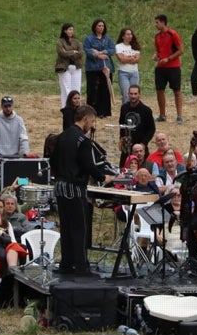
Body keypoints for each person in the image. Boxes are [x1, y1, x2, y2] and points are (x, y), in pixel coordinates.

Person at [51, 105, 116, 278]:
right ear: (86, 119)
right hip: (75, 189)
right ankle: (81, 267)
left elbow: (53, 161)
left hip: (60, 187)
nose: (92, 125)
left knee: (66, 227)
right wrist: (104, 178)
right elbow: (89, 165)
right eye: (92, 121)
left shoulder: (62, 136)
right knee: (80, 228)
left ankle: (66, 264)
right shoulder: (83, 141)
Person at [149, 14, 186, 125]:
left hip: (173, 67)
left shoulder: (172, 34)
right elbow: (158, 50)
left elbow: (181, 50)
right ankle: (162, 114)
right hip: (160, 67)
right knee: (160, 90)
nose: (155, 24)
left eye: (157, 22)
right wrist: (156, 55)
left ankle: (179, 115)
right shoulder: (157, 36)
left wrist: (168, 58)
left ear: (163, 22)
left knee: (177, 91)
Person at [83, 18, 116, 118]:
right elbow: (87, 50)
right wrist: (97, 55)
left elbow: (112, 50)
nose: (101, 28)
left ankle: (103, 112)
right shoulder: (89, 39)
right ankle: (92, 111)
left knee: (105, 89)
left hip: (106, 67)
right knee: (93, 90)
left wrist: (101, 52)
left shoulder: (108, 39)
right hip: (93, 68)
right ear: (95, 27)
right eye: (99, 26)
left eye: (102, 26)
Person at [56, 23, 85, 108]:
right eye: (69, 29)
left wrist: (68, 52)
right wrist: (73, 52)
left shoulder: (76, 41)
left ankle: (76, 106)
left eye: (72, 29)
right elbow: (61, 53)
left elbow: (80, 53)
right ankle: (66, 107)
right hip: (65, 67)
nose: (71, 31)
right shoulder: (60, 42)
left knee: (76, 87)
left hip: (76, 67)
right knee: (66, 88)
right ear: (65, 31)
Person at [119, 85, 156, 152]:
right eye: (131, 94)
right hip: (127, 146)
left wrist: (144, 143)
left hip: (140, 145)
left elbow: (151, 129)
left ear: (139, 95)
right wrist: (121, 138)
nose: (133, 96)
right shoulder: (124, 108)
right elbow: (122, 125)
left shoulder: (146, 110)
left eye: (135, 94)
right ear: (128, 94)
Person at [114, 27, 142, 105]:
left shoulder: (135, 46)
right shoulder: (118, 46)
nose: (130, 36)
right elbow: (121, 59)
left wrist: (127, 58)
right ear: (123, 36)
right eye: (128, 34)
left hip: (134, 73)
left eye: (131, 34)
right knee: (126, 94)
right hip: (123, 73)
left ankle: (135, 110)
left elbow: (137, 60)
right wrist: (132, 58)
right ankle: (126, 111)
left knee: (135, 93)